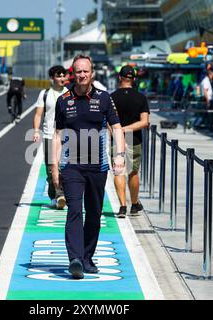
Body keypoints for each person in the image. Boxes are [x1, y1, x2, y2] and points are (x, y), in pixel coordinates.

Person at [52, 54, 125, 279]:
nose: (82, 75)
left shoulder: (104, 98)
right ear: (73, 74)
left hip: (98, 166)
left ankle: (86, 257)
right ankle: (74, 258)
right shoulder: (63, 100)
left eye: (86, 71)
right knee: (74, 210)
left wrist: (120, 154)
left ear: (92, 74)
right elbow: (57, 135)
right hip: (71, 165)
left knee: (94, 214)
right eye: (78, 71)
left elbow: (117, 127)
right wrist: (54, 166)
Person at [110, 65, 150, 219]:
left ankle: (122, 206)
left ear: (120, 77)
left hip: (117, 138)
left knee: (119, 171)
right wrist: (127, 129)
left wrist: (117, 131)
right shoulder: (141, 98)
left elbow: (107, 120)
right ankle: (134, 204)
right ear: (133, 79)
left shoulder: (112, 97)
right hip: (134, 138)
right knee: (133, 172)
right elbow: (144, 122)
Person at [33, 65, 68, 209]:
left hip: (67, 135)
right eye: (58, 76)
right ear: (52, 78)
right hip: (48, 135)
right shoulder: (45, 94)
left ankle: (62, 194)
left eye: (63, 75)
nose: (61, 78)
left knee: (65, 168)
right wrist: (36, 130)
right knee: (50, 169)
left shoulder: (70, 93)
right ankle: (56, 196)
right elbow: (38, 114)